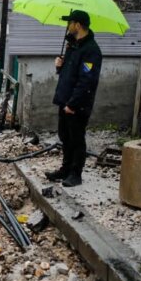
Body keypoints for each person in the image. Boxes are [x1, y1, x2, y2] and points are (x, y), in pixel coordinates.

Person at [46, 10, 103, 187]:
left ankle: (75, 174)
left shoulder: (91, 51)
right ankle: (65, 169)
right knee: (65, 136)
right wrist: (59, 67)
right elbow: (68, 75)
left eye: (69, 23)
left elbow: (87, 80)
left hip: (77, 104)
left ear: (77, 25)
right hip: (65, 100)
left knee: (76, 138)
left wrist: (73, 104)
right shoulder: (73, 46)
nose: (67, 27)